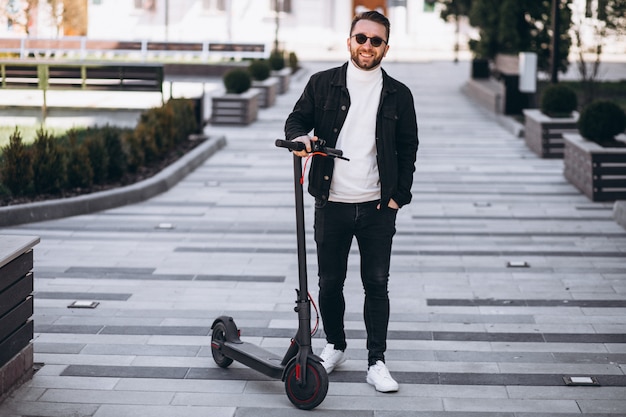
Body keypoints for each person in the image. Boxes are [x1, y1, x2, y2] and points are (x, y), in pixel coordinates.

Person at [284, 10, 419, 393]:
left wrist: (398, 198)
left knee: (376, 284)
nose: (367, 46)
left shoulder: (399, 94)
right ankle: (336, 346)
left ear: (385, 48)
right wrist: (301, 140)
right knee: (330, 282)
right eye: (361, 38)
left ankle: (377, 362)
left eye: (376, 41)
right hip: (333, 202)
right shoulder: (322, 84)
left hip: (378, 206)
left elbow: (408, 148)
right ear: (349, 41)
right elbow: (296, 120)